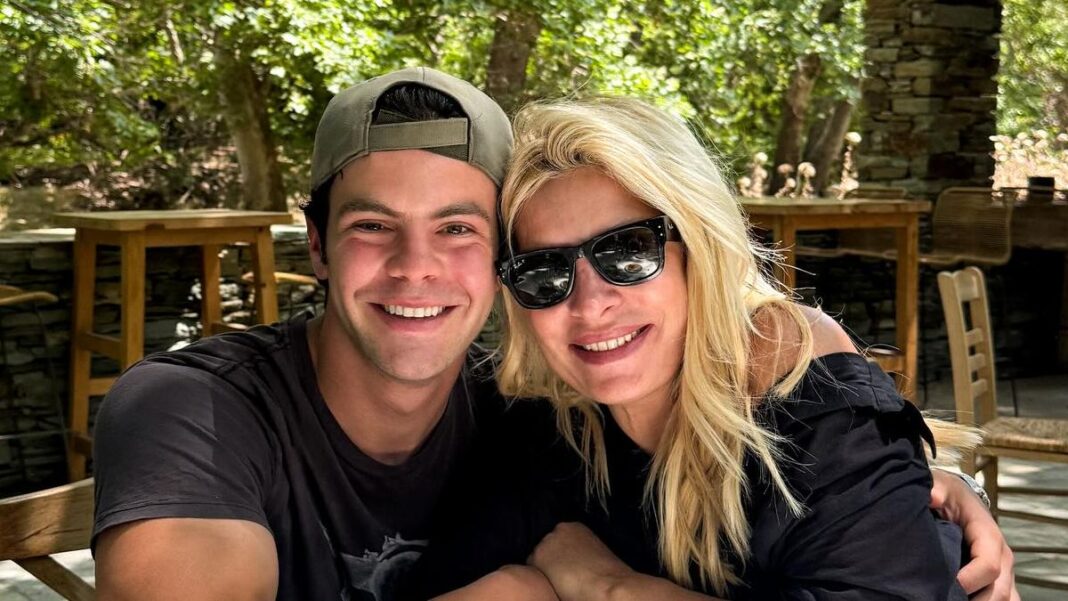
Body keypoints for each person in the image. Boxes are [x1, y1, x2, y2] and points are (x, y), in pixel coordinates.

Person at [90, 68, 1015, 601]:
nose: (416, 266)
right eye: (373, 225)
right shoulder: (201, 410)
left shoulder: (531, 414)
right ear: (318, 246)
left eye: (458, 228)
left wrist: (912, 480)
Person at [413, 96, 1019, 601]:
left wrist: (610, 587)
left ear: (700, 246)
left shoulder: (808, 395)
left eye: (630, 252)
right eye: (544, 272)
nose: (590, 305)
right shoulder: (547, 422)